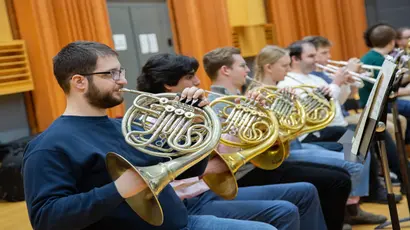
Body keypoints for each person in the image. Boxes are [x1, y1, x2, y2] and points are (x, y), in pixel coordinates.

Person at [23, 41, 303, 230]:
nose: (122, 80)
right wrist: (119, 188)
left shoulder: (124, 126)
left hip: (181, 221)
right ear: (79, 81)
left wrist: (195, 122)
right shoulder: (49, 146)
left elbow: (190, 169)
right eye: (111, 74)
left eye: (121, 71)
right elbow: (46, 218)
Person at [137, 53, 327, 230]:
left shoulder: (194, 112)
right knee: (284, 210)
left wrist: (251, 115)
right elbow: (186, 172)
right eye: (189, 77)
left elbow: (226, 150)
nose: (197, 81)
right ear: (168, 85)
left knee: (305, 190)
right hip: (188, 202)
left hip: (207, 193)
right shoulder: (153, 123)